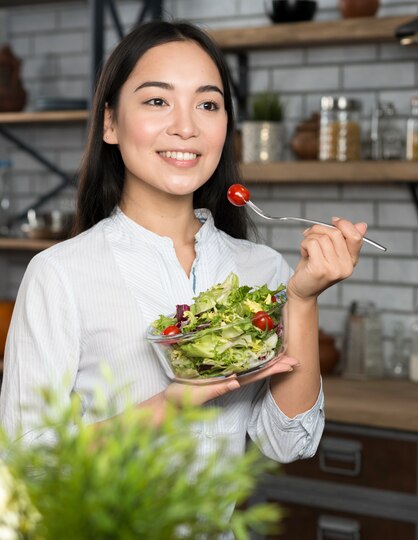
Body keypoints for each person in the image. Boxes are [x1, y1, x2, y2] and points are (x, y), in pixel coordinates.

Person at [0, 21, 366, 463]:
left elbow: (290, 442)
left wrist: (302, 298)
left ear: (226, 127)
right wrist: (168, 407)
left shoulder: (261, 269)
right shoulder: (59, 274)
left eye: (207, 104)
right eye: (157, 100)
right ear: (110, 123)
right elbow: (23, 462)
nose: (186, 127)